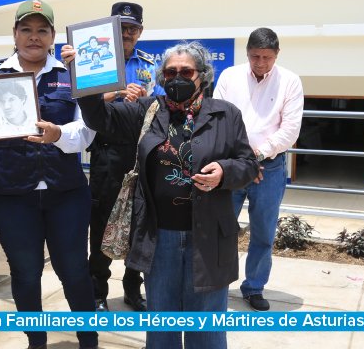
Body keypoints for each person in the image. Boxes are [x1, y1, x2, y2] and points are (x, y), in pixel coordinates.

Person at [79, 41, 258, 348]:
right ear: (161, 77)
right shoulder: (146, 110)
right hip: (158, 238)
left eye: (185, 71)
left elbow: (248, 165)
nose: (177, 78)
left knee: (208, 327)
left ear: (202, 75)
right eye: (170, 72)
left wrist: (224, 172)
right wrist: (85, 75)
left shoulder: (226, 115)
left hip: (209, 238)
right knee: (162, 325)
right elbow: (99, 118)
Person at [0, 0, 98, 349]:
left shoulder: (71, 74)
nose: (33, 37)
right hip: (10, 194)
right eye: (26, 29)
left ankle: (88, 339)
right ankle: (35, 341)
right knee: (24, 272)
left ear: (53, 35)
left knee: (74, 270)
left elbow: (87, 130)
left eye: (42, 30)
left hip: (65, 192)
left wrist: (58, 135)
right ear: (15, 33)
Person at [61, 1, 161, 313]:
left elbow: (161, 104)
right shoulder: (96, 60)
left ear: (140, 31)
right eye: (122, 28)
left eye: (132, 28)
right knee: (102, 223)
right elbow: (80, 102)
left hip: (141, 152)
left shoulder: (150, 66)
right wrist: (116, 94)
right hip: (107, 152)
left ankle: (133, 287)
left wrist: (144, 100)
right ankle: (98, 290)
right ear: (111, 30)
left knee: (139, 223)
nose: (127, 33)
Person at [214, 27, 304, 311]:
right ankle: (216, 285)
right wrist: (244, 161)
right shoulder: (230, 76)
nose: (261, 62)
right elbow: (218, 118)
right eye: (255, 56)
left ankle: (253, 287)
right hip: (234, 165)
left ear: (277, 54)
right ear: (247, 53)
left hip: (271, 166)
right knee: (221, 228)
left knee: (264, 232)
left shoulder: (290, 81)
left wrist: (259, 156)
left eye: (267, 57)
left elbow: (290, 130)